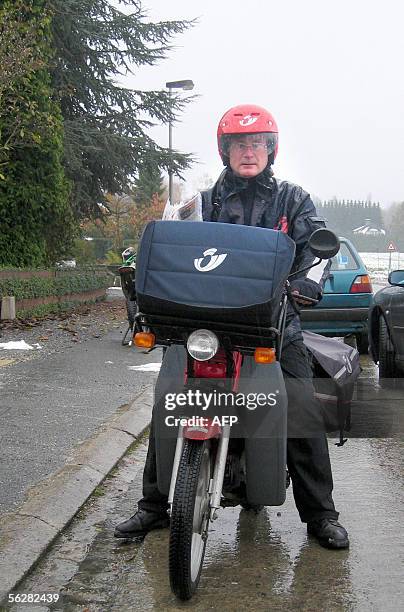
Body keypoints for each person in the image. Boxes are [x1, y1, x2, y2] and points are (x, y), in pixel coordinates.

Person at [115, 104, 349, 550]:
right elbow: (170, 244)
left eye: (257, 143)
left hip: (275, 321)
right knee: (171, 398)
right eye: (240, 143)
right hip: (206, 323)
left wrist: (306, 283)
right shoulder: (200, 203)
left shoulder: (292, 199)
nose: (249, 151)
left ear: (270, 149)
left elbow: (320, 251)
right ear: (225, 151)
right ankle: (153, 505)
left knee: (300, 406)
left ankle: (321, 514)